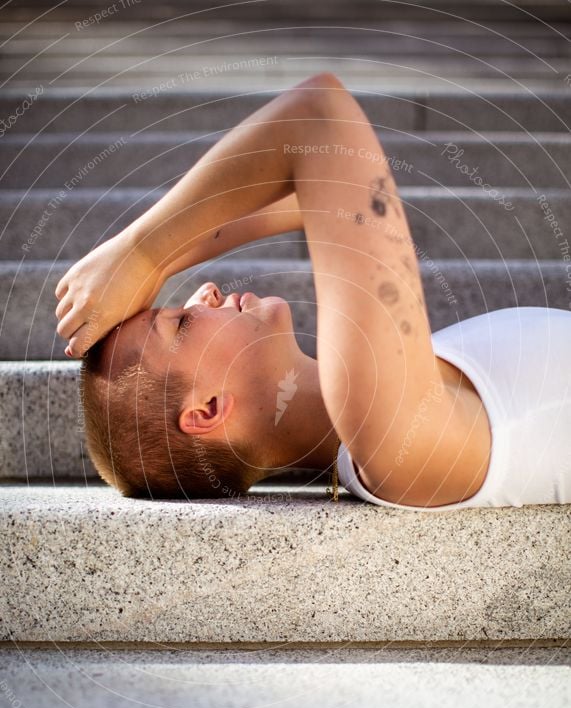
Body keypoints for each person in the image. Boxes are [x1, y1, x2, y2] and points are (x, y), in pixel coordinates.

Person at [54, 72, 571, 508]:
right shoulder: (379, 424)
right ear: (208, 410)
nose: (204, 292)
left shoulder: (375, 410)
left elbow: (326, 199)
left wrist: (154, 263)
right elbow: (320, 117)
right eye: (182, 323)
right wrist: (141, 253)